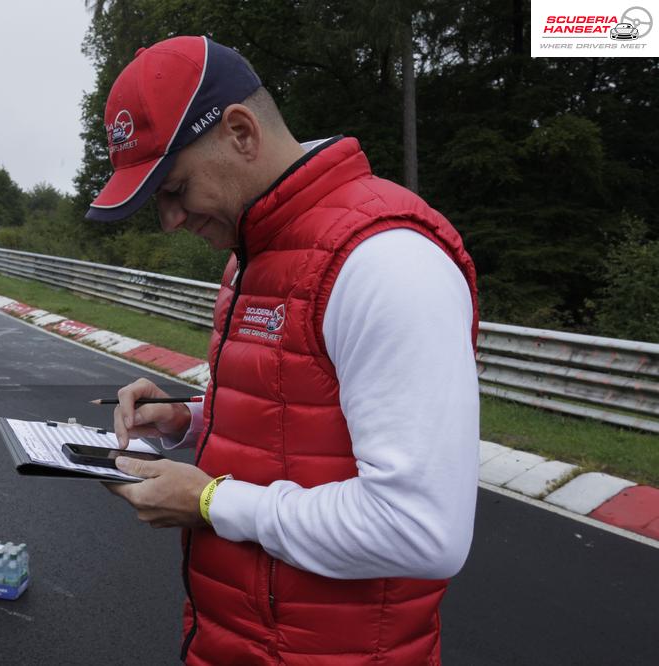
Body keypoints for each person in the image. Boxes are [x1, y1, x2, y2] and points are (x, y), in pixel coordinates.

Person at [87, 35, 479, 665]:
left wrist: (211, 502)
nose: (169, 220)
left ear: (241, 132)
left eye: (174, 187)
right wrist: (188, 422)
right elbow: (295, 417)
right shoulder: (255, 250)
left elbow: (421, 530)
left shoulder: (387, 261)